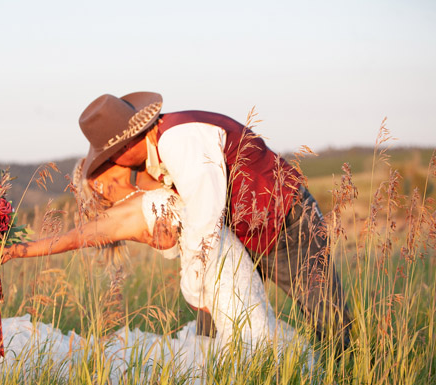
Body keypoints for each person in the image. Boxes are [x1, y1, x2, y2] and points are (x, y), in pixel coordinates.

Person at [77, 91, 351, 349]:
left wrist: (192, 285)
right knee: (215, 325)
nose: (117, 164)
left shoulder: (179, 140)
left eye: (111, 156)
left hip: (287, 224)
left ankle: (352, 377)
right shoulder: (161, 147)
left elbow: (205, 217)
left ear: (124, 147)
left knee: (327, 316)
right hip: (237, 238)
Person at [2, 158, 308, 354]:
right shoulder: (134, 204)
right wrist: (17, 250)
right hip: (225, 260)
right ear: (98, 182)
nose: (118, 166)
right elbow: (69, 240)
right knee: (249, 335)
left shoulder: (144, 192)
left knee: (252, 332)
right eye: (108, 167)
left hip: (224, 262)